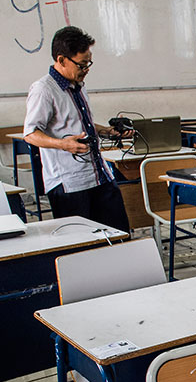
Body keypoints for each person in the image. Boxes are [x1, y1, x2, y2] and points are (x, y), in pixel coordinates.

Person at [23, 26, 130, 232]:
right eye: (82, 64)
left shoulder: (78, 84)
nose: (86, 69)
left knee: (118, 236)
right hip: (69, 184)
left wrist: (106, 131)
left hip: (98, 175)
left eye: (89, 63)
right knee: (80, 247)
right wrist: (63, 144)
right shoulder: (43, 90)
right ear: (62, 60)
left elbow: (76, 123)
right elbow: (30, 134)